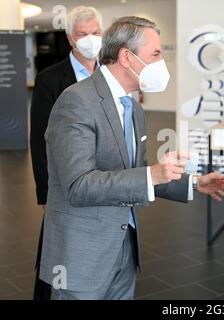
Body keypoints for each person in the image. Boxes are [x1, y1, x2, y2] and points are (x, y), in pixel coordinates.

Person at [39, 16, 224, 300]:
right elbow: (78, 186)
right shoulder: (76, 102)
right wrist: (153, 174)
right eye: (155, 54)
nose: (161, 62)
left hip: (124, 249)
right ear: (126, 57)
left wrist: (193, 182)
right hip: (82, 257)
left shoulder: (133, 108)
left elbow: (136, 172)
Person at [30, 6, 103, 300]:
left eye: (95, 33)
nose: (90, 40)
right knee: (59, 247)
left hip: (102, 177)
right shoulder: (50, 80)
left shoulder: (109, 74)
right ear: (70, 39)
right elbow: (39, 139)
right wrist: (45, 193)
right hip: (64, 181)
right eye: (83, 34)